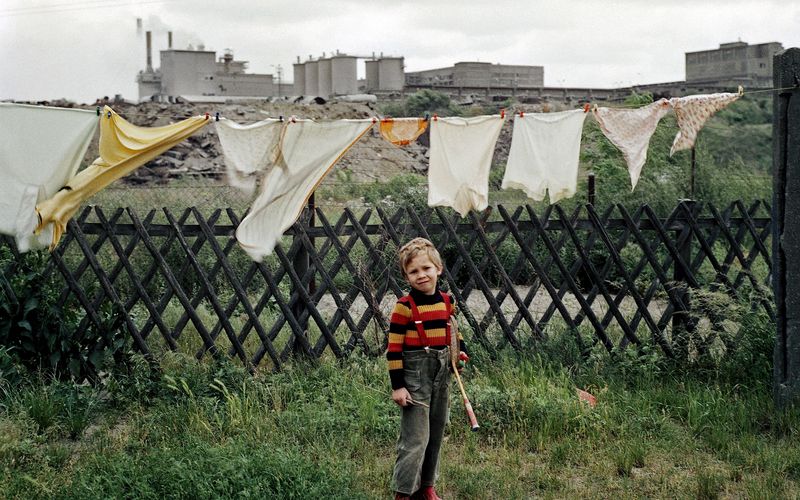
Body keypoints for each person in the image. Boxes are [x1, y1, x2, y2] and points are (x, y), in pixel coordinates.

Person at [387, 237, 469, 500]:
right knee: (415, 439)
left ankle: (427, 488)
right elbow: (394, 349)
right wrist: (398, 385)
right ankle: (403, 493)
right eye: (413, 271)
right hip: (415, 377)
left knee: (436, 431)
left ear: (438, 269)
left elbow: (453, 331)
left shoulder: (447, 301)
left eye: (426, 268)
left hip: (442, 373)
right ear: (406, 276)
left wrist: (459, 353)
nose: (421, 275)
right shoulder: (404, 307)